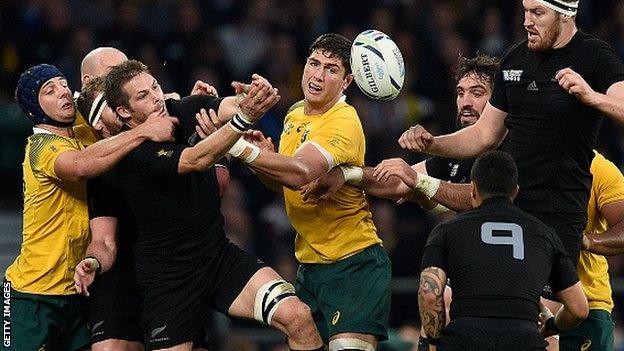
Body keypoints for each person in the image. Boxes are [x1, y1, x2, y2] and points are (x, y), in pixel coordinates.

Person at [98, 59, 324, 351]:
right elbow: (196, 158)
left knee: (298, 316)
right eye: (143, 96)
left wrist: (250, 97)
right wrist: (243, 118)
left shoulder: (181, 110)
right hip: (168, 280)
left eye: (155, 87)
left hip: (217, 259)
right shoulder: (131, 155)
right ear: (124, 112)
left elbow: (225, 106)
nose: (156, 98)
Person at [394, 0, 624, 268]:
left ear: (565, 14)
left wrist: (593, 97)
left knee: (558, 308)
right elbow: (483, 135)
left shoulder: (595, 56)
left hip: (557, 214)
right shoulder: (515, 58)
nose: (527, 21)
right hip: (508, 207)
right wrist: (432, 143)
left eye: (538, 13)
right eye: (525, 11)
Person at [231, 33, 391, 351]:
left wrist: (231, 143)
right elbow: (284, 183)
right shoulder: (294, 114)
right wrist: (263, 161)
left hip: (353, 263)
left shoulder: (344, 120)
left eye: (331, 69)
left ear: (346, 81)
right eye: (313, 63)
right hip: (310, 265)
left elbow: (302, 172)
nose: (317, 75)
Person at [4, 63, 176, 350]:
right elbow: (81, 166)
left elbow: (118, 113)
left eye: (62, 84)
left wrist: (173, 101)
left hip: (76, 290)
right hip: (30, 294)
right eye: (50, 90)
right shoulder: (41, 148)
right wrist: (145, 131)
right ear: (35, 107)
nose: (62, 93)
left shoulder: (80, 131)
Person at [75, 75, 226, 351]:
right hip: (124, 275)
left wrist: (203, 130)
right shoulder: (100, 169)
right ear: (101, 121)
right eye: (112, 103)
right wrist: (93, 262)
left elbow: (219, 187)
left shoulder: (171, 127)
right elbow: (104, 240)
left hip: (176, 268)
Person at [418, 150, 588, 350]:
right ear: (515, 191)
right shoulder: (544, 233)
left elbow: (429, 293)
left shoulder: (446, 231)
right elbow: (579, 309)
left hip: (464, 339)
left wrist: (436, 341)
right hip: (524, 339)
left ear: (472, 189)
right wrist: (551, 326)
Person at [561, 151, 624, 350]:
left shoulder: (599, 168)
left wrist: (585, 241)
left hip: (588, 305)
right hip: (521, 300)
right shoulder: (519, 158)